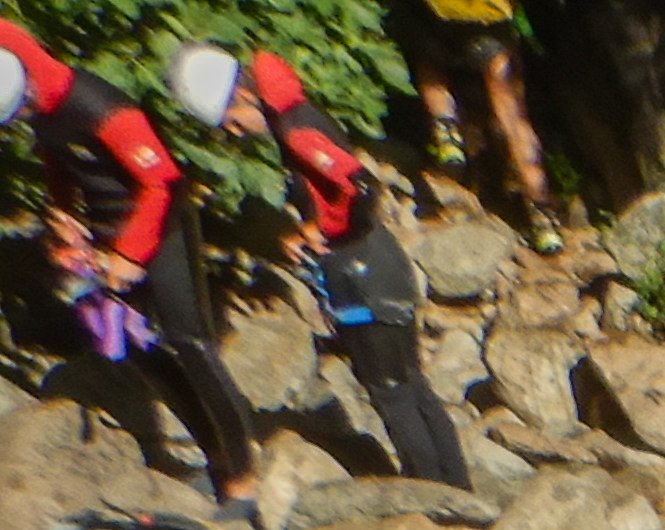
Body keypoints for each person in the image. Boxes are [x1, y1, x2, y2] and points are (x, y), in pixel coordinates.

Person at [168, 39, 471, 488]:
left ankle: (432, 499)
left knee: (392, 396)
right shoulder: (299, 116)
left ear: (243, 96)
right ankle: (458, 490)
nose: (232, 135)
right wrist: (312, 226)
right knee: (412, 388)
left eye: (230, 123)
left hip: (365, 275)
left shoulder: (295, 130)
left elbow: (363, 189)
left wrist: (319, 232)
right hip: (376, 265)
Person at [0, 24, 260, 512]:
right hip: (106, 232)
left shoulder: (99, 106)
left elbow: (163, 182)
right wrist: (63, 218)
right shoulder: (33, 101)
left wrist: (129, 256)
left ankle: (244, 475)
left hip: (159, 229)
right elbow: (60, 163)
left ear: (31, 89)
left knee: (193, 346)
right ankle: (216, 459)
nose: (23, 119)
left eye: (23, 111)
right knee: (143, 351)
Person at [389, 0, 556, 254]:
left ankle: (447, 133)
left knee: (429, 65)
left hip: (438, 12)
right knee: (512, 116)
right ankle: (543, 218)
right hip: (490, 18)